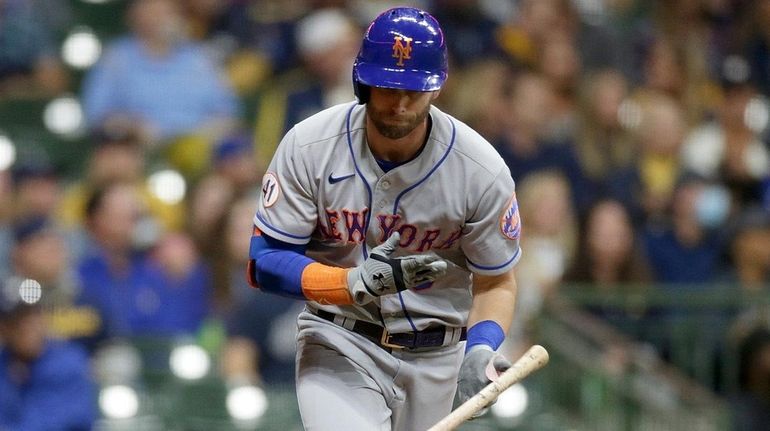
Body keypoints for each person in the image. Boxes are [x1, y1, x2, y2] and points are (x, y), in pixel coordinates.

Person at [247, 7, 521, 430]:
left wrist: (481, 347)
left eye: (414, 90)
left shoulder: (480, 170)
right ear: (362, 80)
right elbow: (264, 260)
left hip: (439, 356)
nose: (399, 103)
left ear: (437, 88)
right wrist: (350, 282)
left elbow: (496, 279)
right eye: (388, 87)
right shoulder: (311, 145)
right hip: (340, 340)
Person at [0, 277, 97, 430]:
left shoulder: (68, 362)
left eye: (32, 316)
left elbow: (46, 425)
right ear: (3, 327)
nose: (27, 327)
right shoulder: (5, 364)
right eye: (16, 320)